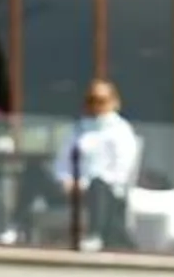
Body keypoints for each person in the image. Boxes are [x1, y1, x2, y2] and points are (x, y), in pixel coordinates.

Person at [45, 80, 141, 247]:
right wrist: (65, 179)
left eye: (101, 100)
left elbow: (121, 170)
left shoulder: (121, 131)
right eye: (91, 100)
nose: (96, 105)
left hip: (102, 191)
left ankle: (95, 235)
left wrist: (85, 184)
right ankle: (14, 227)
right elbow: (62, 161)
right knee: (33, 173)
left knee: (99, 183)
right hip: (71, 190)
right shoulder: (77, 129)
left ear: (113, 102)